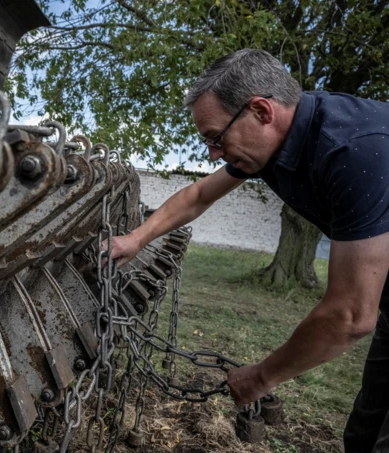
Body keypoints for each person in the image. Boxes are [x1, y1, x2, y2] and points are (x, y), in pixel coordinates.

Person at [106, 49, 389, 452]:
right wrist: (136, 239)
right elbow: (200, 194)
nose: (213, 154)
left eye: (216, 138)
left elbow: (351, 315)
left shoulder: (355, 151)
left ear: (260, 110)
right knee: (363, 436)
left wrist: (260, 377)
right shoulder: (273, 146)